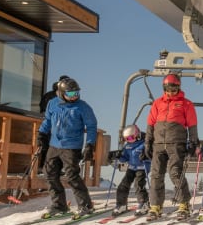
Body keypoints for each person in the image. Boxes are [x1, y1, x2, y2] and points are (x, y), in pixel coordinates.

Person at [35, 77, 98, 216]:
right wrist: (41, 134)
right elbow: (47, 121)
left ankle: (86, 206)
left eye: (76, 93)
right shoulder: (53, 103)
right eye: (70, 94)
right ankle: (59, 205)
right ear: (61, 93)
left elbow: (92, 126)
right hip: (54, 145)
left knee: (71, 176)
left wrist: (89, 144)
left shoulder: (82, 107)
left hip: (71, 146)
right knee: (50, 174)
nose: (74, 96)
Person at [143, 73, 198, 220]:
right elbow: (150, 123)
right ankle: (155, 206)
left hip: (176, 143)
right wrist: (148, 142)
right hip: (158, 143)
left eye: (174, 89)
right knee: (156, 175)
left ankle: (183, 204)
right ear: (164, 88)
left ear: (178, 87)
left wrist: (193, 141)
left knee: (175, 173)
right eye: (168, 89)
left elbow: (192, 124)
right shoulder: (157, 103)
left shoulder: (186, 104)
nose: (171, 92)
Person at [107, 124, 150, 214]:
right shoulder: (128, 146)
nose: (129, 141)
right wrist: (119, 156)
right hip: (131, 168)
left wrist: (146, 155)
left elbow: (152, 155)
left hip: (142, 167)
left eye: (130, 138)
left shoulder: (145, 144)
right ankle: (122, 204)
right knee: (123, 185)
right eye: (126, 139)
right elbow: (125, 158)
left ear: (137, 135)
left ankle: (144, 203)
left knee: (138, 185)